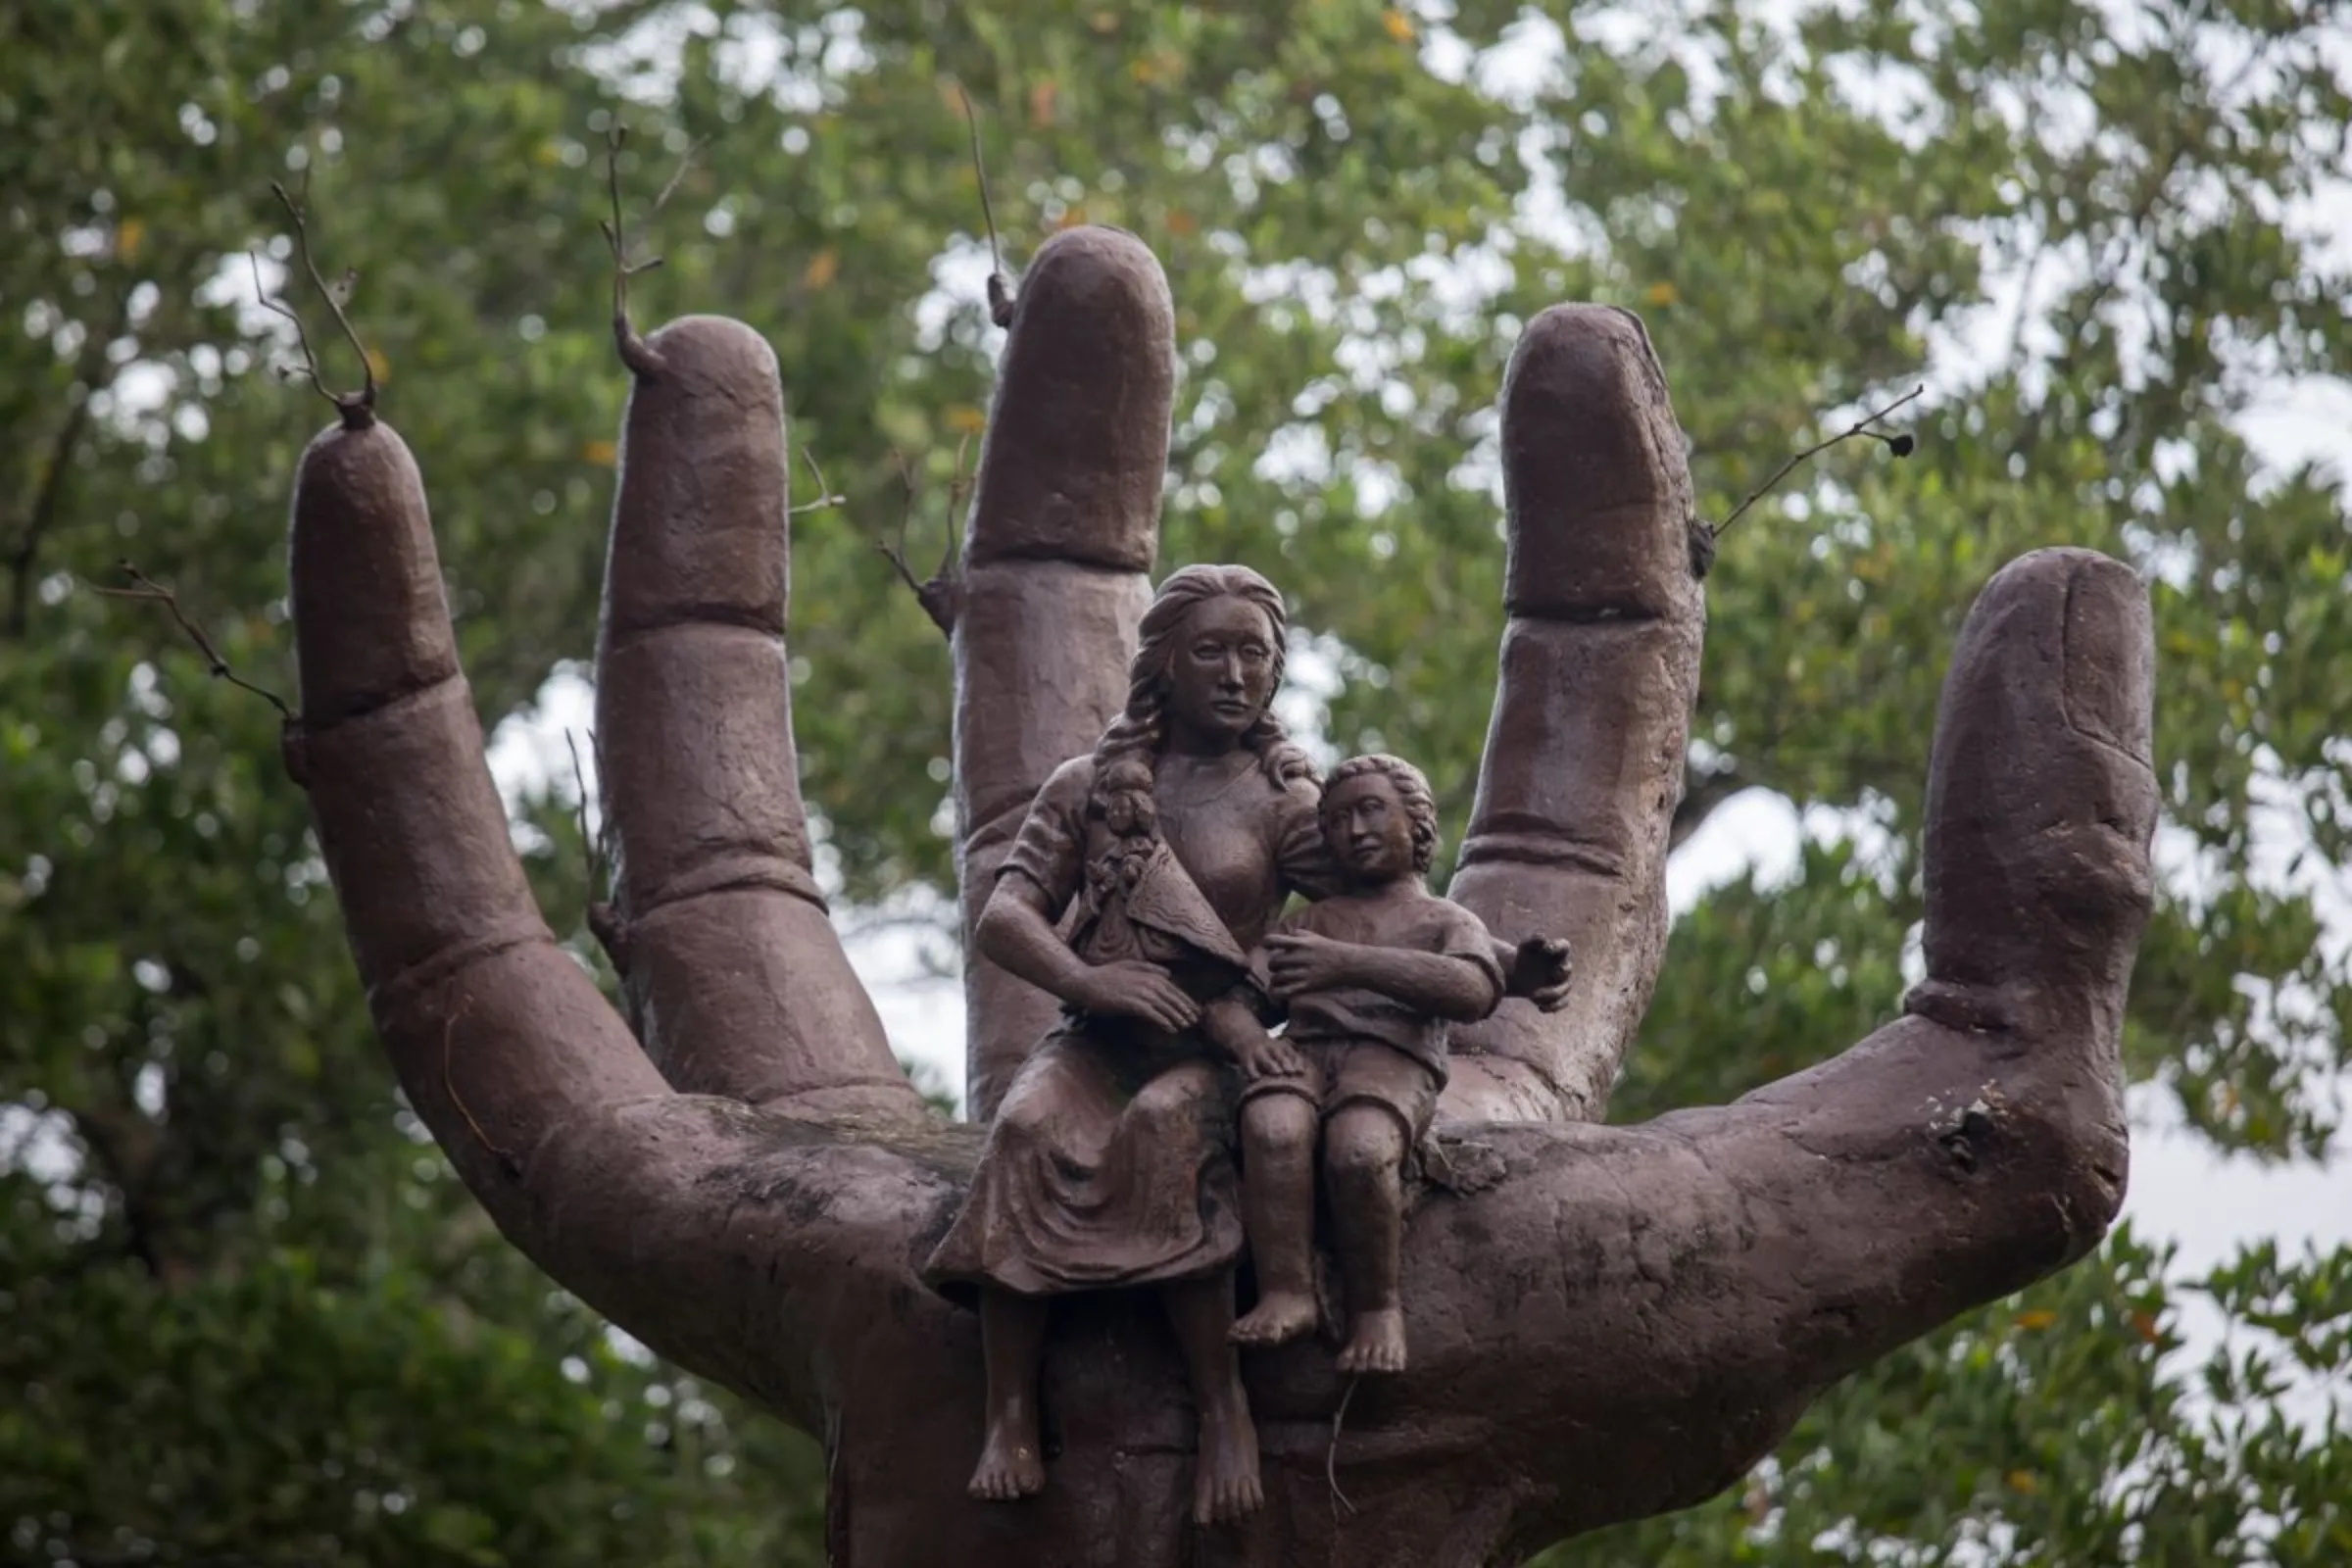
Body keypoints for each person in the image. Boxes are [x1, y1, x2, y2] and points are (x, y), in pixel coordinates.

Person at [922, 564, 1332, 1527]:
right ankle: (1010, 1411)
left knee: (1162, 1130)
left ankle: (1221, 1403)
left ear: (1274, 674)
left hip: (1215, 1055)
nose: (1235, 673)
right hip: (1096, 1039)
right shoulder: (1093, 787)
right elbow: (1005, 915)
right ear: (1163, 666)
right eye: (1211, 650)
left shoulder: (1287, 801)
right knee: (1024, 1128)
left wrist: (1240, 1004)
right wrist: (1089, 980)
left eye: (1255, 655)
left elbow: (1337, 927)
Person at [1225, 755, 1505, 1375]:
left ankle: (1378, 1309)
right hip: (1306, 1057)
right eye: (1337, 821)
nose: (1355, 831)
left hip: (1390, 1061)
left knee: (1358, 1150)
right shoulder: (1310, 922)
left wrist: (1347, 965)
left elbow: (1472, 990)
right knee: (1273, 1125)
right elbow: (1234, 1000)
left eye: (1371, 810)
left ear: (1417, 822)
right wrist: (1250, 1041)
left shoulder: (1445, 919)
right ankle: (1287, 1291)